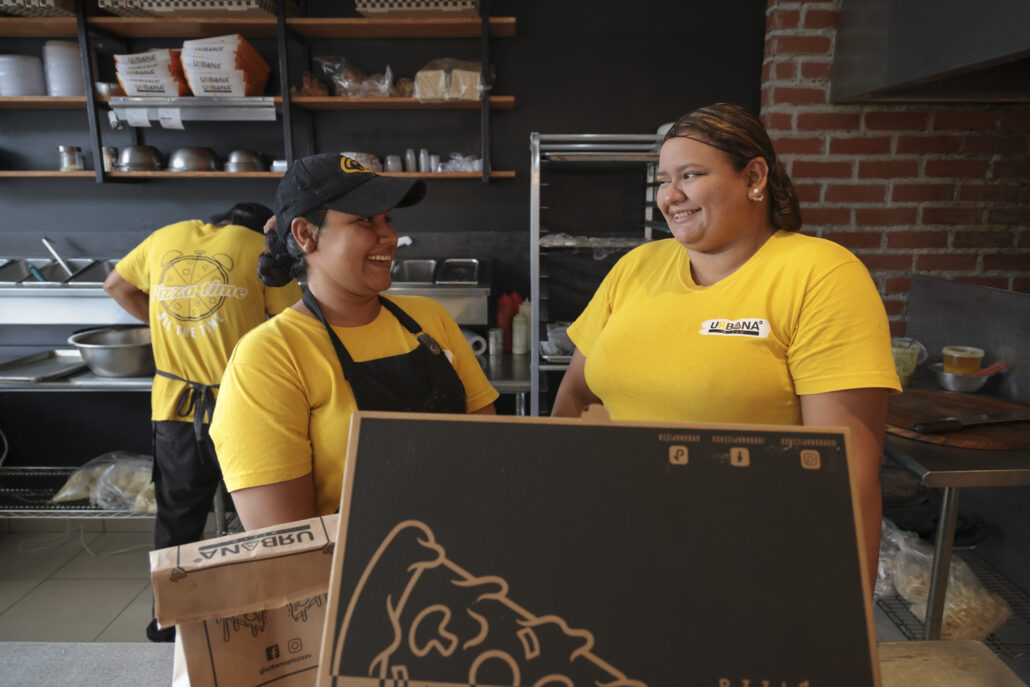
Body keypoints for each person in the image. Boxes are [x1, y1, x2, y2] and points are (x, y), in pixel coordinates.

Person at [551, 103, 901, 588]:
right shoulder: (636, 267)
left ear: (754, 176)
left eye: (690, 175)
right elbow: (574, 398)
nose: (670, 196)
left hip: (749, 564)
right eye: (662, 180)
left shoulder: (821, 275)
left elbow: (848, 478)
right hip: (617, 545)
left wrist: (845, 623)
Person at [210, 153, 498, 531]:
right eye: (365, 220)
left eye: (388, 219)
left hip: (457, 550)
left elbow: (488, 449)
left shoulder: (430, 320)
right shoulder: (269, 357)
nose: (390, 237)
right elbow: (286, 541)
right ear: (305, 234)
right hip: (348, 578)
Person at [104, 201, 301, 641]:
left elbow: (115, 285)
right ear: (262, 229)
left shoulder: (163, 238)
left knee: (178, 514)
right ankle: (268, 618)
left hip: (175, 405)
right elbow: (293, 323)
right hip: (243, 403)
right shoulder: (259, 249)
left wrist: (165, 328)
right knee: (262, 513)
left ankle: (170, 621)